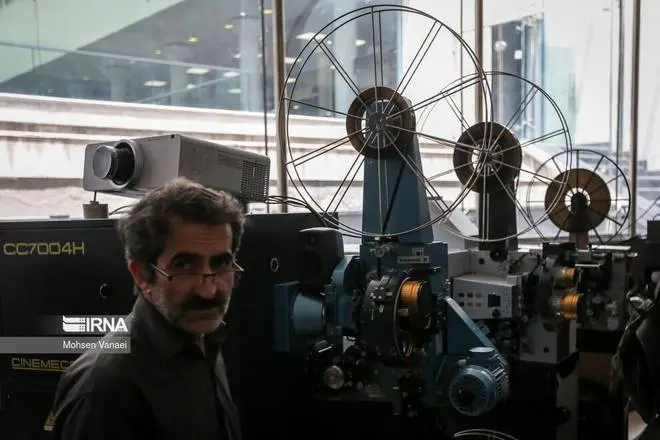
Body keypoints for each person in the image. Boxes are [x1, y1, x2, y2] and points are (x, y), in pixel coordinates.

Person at [51, 177, 246, 440]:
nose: (208, 291)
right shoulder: (104, 388)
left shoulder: (205, 341)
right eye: (183, 266)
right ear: (142, 275)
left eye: (221, 263)